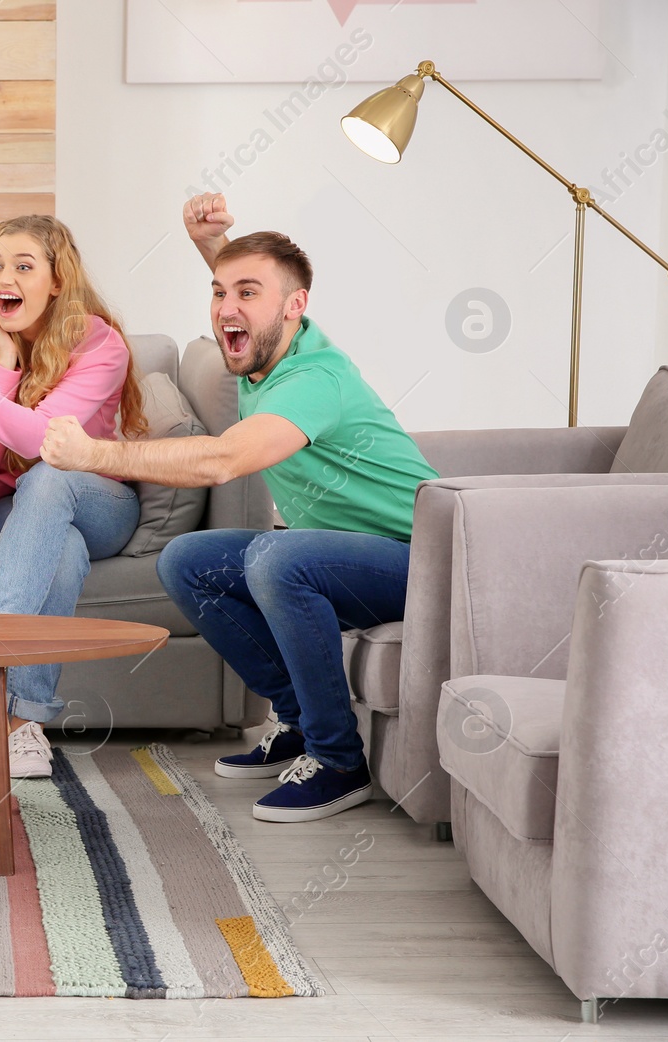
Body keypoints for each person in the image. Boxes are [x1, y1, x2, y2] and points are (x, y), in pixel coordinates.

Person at [39, 192, 439, 822]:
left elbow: (222, 460)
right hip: (345, 551)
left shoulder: (313, 381)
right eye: (218, 292)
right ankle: (302, 724)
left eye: (245, 293)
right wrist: (211, 247)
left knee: (279, 558)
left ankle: (339, 763)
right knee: (189, 560)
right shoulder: (275, 345)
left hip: (421, 563)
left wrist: (93, 454)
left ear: (296, 307)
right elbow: (254, 298)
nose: (227, 307)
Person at [0, 215, 147, 779]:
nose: (4, 278)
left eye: (23, 265)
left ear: (58, 279)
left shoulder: (99, 343)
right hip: (10, 513)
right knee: (59, 548)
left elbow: (47, 440)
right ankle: (23, 722)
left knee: (50, 472)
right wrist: (1, 366)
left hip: (100, 503)